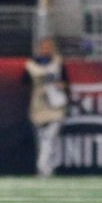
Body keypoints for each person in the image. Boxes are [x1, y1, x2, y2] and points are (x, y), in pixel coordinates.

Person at [24, 37, 69, 177]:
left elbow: (66, 82)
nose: (47, 49)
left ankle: (43, 168)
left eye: (50, 47)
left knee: (50, 137)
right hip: (39, 104)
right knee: (42, 139)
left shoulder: (58, 63)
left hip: (55, 104)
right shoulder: (32, 64)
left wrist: (61, 85)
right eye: (44, 47)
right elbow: (24, 81)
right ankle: (46, 168)